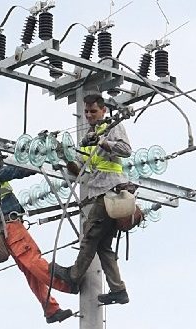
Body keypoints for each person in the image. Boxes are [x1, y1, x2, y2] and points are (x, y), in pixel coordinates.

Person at [0, 142, 75, 324]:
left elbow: (7, 172)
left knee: (29, 269)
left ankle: (51, 310)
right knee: (32, 259)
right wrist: (33, 161)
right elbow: (12, 171)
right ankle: (69, 284)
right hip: (7, 224)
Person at [51, 94, 132, 304]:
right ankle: (118, 290)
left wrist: (104, 142)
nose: (88, 115)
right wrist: (64, 156)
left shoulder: (112, 126)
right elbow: (80, 168)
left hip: (110, 190)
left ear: (103, 110)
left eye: (93, 111)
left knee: (90, 235)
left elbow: (126, 151)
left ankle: (73, 276)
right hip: (100, 191)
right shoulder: (88, 136)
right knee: (103, 246)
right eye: (86, 111)